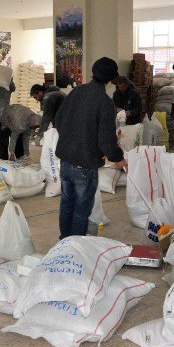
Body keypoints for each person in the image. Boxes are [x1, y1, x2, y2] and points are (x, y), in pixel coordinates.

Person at [54, 57, 126, 239]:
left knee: (67, 204)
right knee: (81, 209)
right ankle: (75, 246)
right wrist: (118, 157)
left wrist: (72, 139)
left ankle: (64, 241)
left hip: (66, 160)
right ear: (110, 80)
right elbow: (106, 140)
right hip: (85, 165)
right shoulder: (105, 102)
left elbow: (58, 121)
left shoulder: (76, 92)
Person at [0, 65, 23, 159]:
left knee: (3, 137)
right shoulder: (8, 83)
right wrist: (11, 79)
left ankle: (4, 158)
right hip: (5, 111)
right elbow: (13, 88)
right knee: (12, 133)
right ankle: (19, 156)